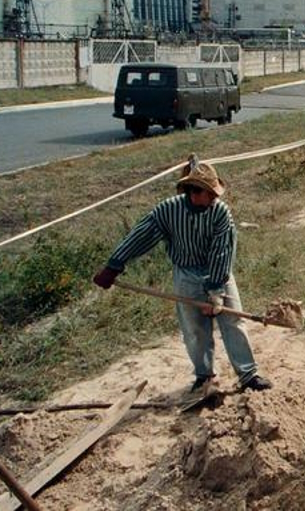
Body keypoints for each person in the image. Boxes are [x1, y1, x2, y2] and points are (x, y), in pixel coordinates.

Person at [93, 155, 272, 393]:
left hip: (218, 273)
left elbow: (222, 253)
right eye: (212, 192)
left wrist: (215, 294)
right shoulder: (168, 210)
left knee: (233, 322)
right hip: (186, 274)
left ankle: (248, 375)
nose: (216, 197)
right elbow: (140, 236)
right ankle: (204, 376)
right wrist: (114, 265)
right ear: (195, 192)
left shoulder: (220, 213)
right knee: (194, 330)